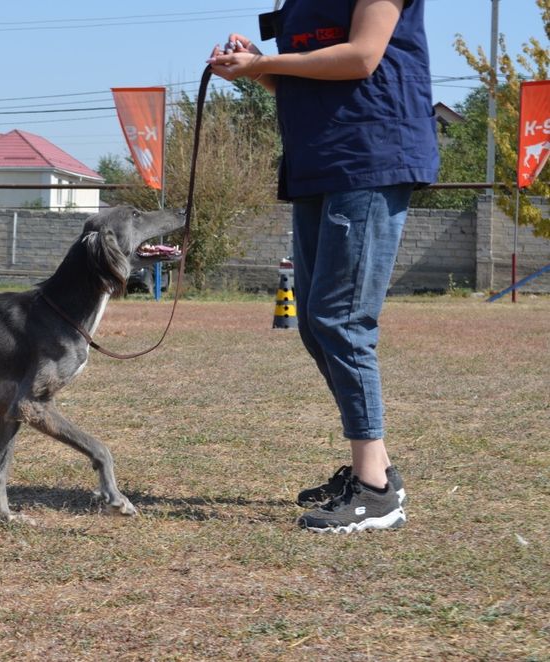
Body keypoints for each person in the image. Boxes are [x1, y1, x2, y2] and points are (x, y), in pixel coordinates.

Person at [208, 0, 438, 533]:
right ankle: (375, 467)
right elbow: (304, 81)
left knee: (342, 320)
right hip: (317, 161)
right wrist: (256, 64)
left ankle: (376, 494)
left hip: (369, 155)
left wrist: (265, 65)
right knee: (314, 323)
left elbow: (360, 58)